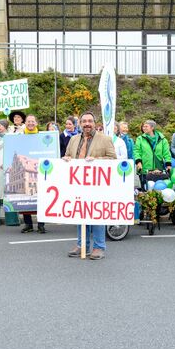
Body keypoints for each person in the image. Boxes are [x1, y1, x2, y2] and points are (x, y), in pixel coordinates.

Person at [64, 111, 117, 260]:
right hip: (77, 184)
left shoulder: (105, 139)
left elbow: (113, 159)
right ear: (79, 124)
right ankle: (82, 245)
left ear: (94, 123)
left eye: (90, 121)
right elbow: (68, 156)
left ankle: (99, 247)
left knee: (96, 216)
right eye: (84, 121)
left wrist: (97, 160)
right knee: (80, 214)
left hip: (97, 185)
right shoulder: (73, 139)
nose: (87, 124)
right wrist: (66, 159)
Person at [19, 114, 46, 233]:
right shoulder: (19, 137)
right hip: (26, 168)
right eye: (28, 121)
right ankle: (28, 224)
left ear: (36, 123)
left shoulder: (42, 136)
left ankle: (41, 225)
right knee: (26, 197)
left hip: (39, 170)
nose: (30, 123)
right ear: (25, 123)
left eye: (32, 121)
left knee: (41, 199)